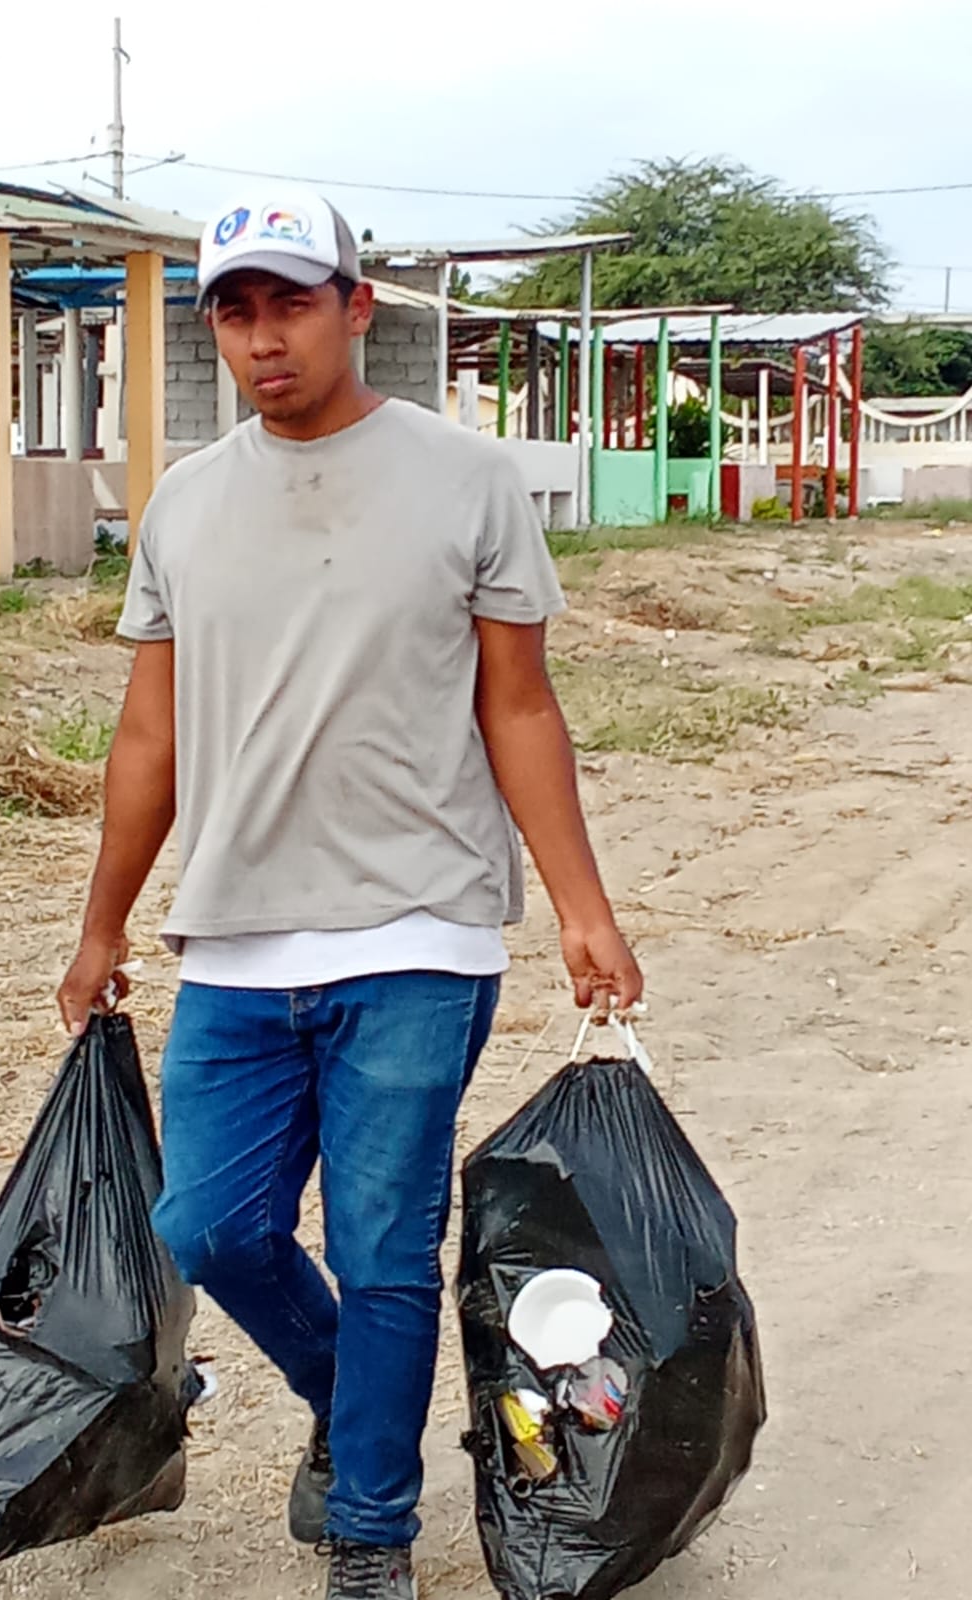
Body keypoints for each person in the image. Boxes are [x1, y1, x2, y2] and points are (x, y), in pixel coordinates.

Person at [57, 188, 643, 1600]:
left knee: (385, 1252)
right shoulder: (187, 503)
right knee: (209, 1228)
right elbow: (151, 735)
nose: (264, 339)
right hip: (237, 935)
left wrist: (583, 905)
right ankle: (356, 1403)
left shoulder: (468, 480)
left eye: (292, 304)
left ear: (356, 308)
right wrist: (99, 921)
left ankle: (372, 1535)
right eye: (235, 312)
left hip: (421, 926)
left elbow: (519, 705)